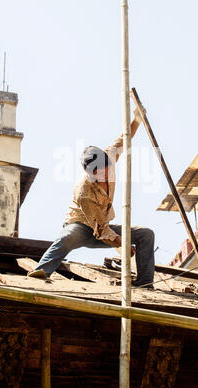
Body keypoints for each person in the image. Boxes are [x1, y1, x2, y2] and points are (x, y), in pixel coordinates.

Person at [28, 107, 156, 289]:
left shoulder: (110, 157)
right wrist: (122, 244)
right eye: (97, 173)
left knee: (146, 234)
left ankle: (144, 282)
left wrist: (137, 119)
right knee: (69, 237)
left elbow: (125, 138)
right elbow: (101, 230)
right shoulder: (84, 191)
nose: (103, 175)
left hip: (104, 225)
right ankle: (41, 271)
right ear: (88, 172)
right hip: (83, 226)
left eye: (104, 169)